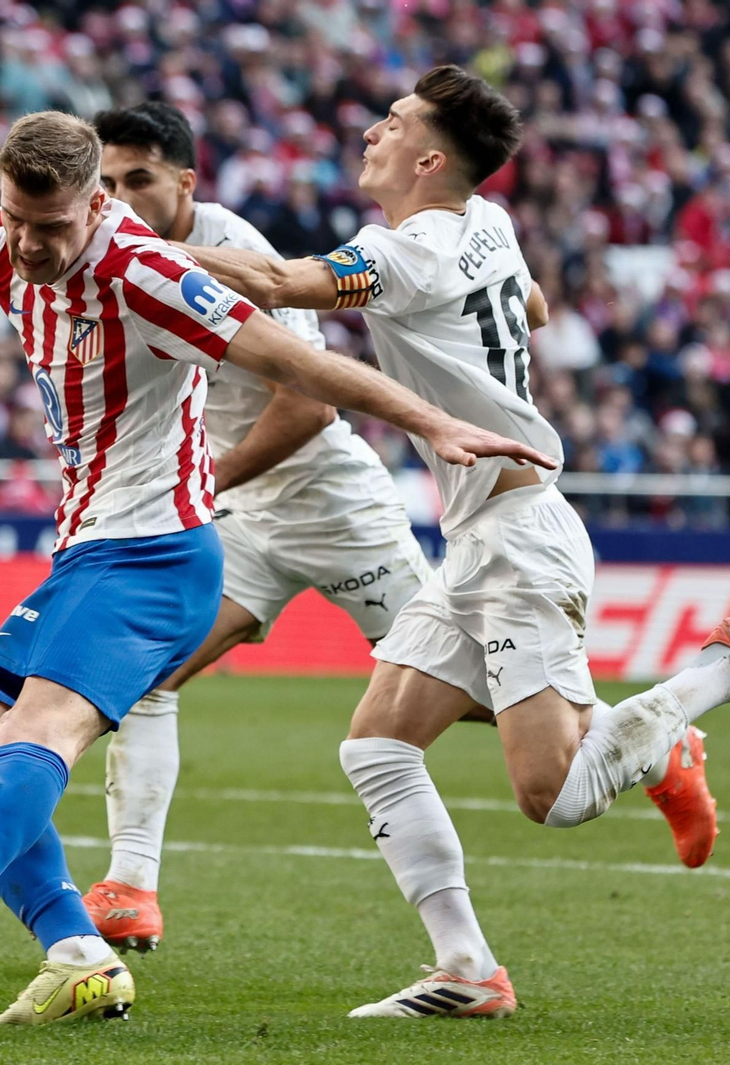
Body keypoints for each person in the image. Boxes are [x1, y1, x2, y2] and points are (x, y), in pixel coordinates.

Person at [0, 110, 555, 1027]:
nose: (27, 245)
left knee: (36, 731)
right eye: (15, 218)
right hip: (88, 548)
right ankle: (78, 954)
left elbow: (295, 363)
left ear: (94, 206)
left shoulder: (145, 271)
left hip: (156, 553)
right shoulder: (0, 241)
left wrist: (432, 423)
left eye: (49, 226)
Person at [182, 66, 730, 1020]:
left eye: (393, 122)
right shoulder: (488, 223)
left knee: (557, 795)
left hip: (520, 539)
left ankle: (720, 674)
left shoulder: (404, 251)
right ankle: (467, 968)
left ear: (429, 159)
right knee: (376, 746)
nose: (371, 132)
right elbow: (531, 307)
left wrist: (136, 249)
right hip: (483, 538)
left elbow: (285, 282)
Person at [80, 101, 552, 954]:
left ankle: (645, 739)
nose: (118, 197)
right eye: (105, 183)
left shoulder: (234, 249)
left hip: (336, 507)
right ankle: (130, 886)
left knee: (483, 696)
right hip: (245, 520)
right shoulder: (477, 226)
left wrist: (197, 484)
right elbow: (533, 304)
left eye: (136, 179)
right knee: (145, 671)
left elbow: (306, 406)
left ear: (184, 181)